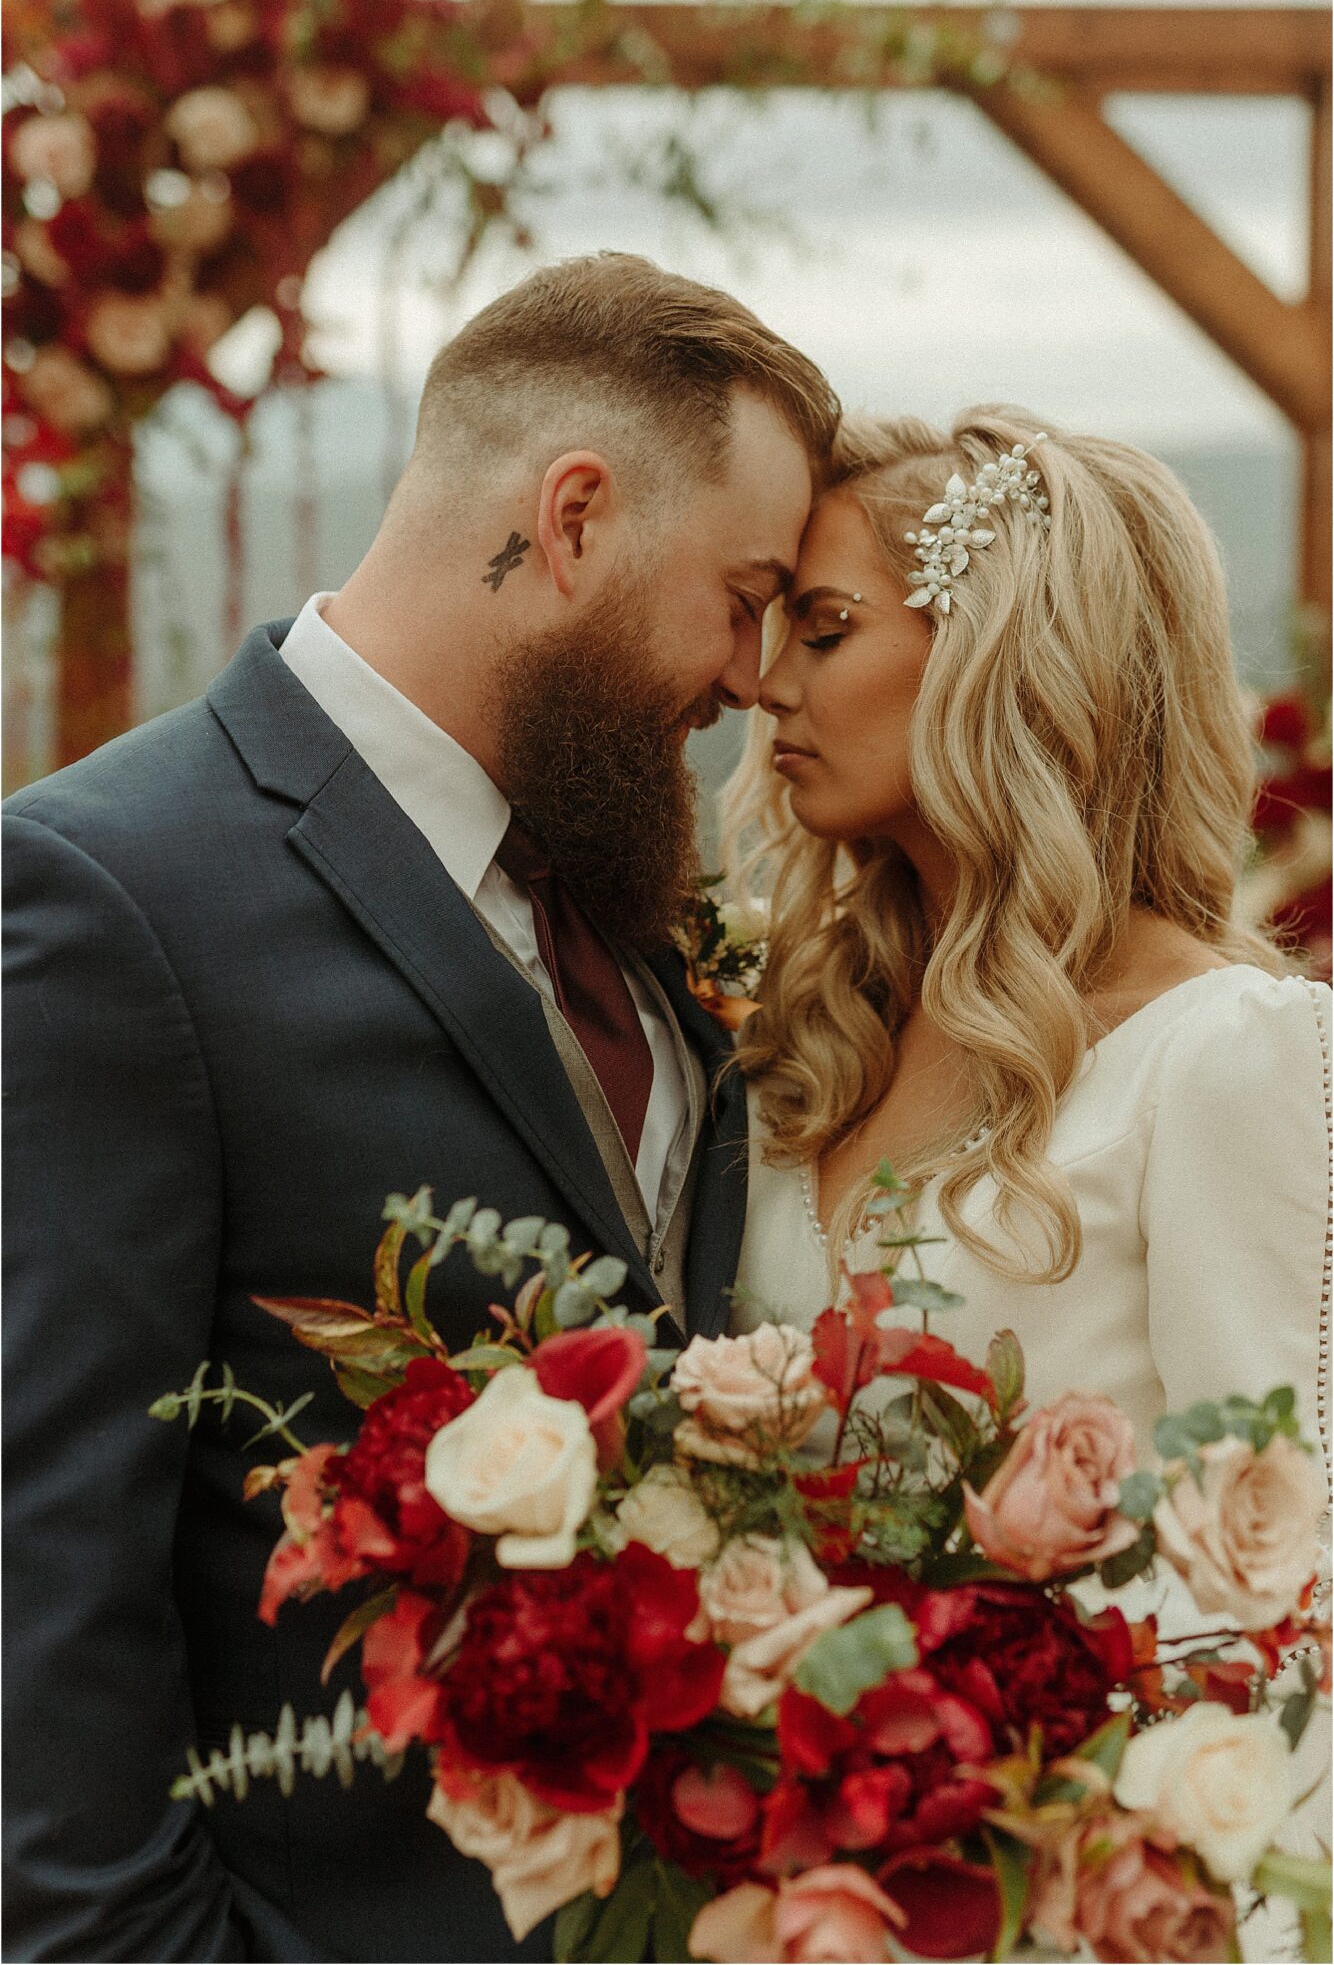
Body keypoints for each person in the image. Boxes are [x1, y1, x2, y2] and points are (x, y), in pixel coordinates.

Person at [3, 253, 836, 1964]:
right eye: (741, 595)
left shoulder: (606, 869)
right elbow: (37, 1584)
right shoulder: (110, 898)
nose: (753, 676)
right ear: (577, 519)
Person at [726, 407, 1330, 1466]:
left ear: (994, 651)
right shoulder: (819, 1024)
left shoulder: (1223, 1049)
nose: (771, 684)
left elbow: (1273, 1552)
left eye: (824, 630)